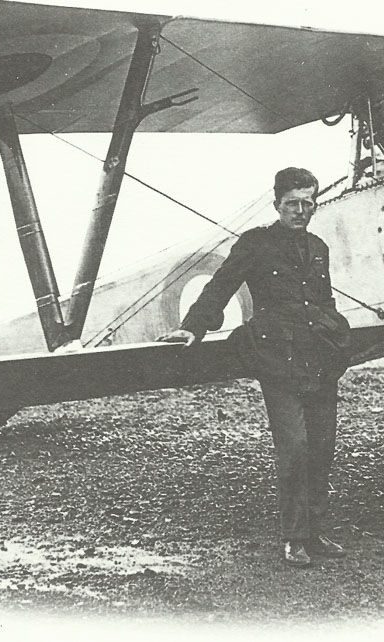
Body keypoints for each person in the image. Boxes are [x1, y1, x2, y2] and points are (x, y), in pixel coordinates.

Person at [157, 167, 352, 568]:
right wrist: (192, 327)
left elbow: (323, 300)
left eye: (308, 203)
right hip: (277, 359)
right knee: (294, 448)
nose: (301, 211)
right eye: (292, 204)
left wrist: (336, 339)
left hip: (319, 358)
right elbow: (221, 285)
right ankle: (294, 538)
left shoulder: (318, 248)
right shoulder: (256, 244)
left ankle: (315, 533)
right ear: (276, 204)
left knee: (321, 448)